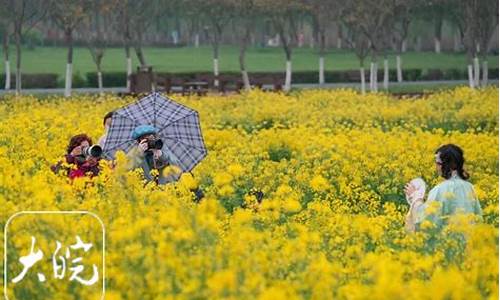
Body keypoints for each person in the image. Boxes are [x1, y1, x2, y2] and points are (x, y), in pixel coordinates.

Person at [405, 144, 483, 232]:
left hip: (447, 242)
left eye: (438, 163)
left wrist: (415, 197)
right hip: (469, 242)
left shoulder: (439, 189)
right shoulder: (470, 187)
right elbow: (478, 218)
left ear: (449, 165)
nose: (436, 167)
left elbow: (425, 221)